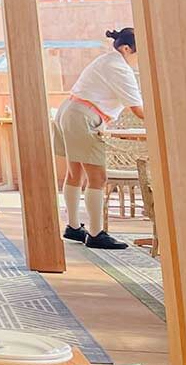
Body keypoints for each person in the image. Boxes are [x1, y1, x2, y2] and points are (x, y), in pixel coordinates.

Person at [52, 28, 143, 251]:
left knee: (75, 174)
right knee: (98, 177)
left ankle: (73, 227)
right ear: (126, 49)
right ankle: (95, 233)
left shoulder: (106, 60)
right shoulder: (120, 68)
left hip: (69, 110)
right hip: (83, 116)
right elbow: (139, 110)